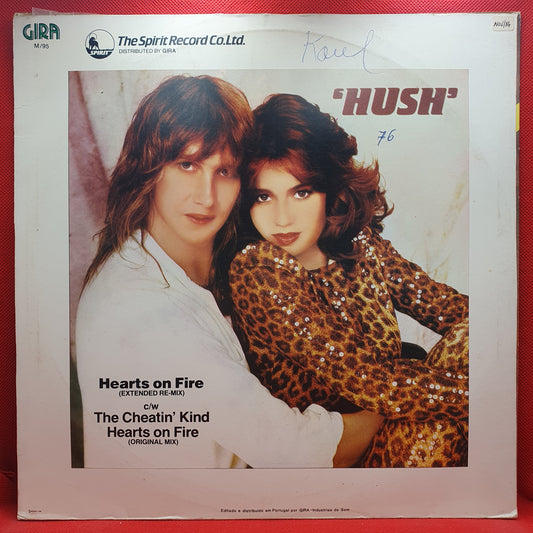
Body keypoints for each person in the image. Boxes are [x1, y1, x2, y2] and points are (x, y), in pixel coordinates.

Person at [75, 75, 383, 469]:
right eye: (187, 164)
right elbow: (295, 452)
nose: (206, 197)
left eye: (225, 171)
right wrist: (391, 404)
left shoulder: (218, 261)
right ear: (149, 168)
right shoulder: (142, 310)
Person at [229, 93, 469, 467]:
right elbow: (369, 381)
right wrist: (482, 395)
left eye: (301, 192)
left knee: (479, 331)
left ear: (331, 189)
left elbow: (448, 308)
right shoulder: (258, 269)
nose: (282, 218)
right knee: (451, 415)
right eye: (263, 196)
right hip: (343, 462)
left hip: (400, 423)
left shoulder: (359, 244)